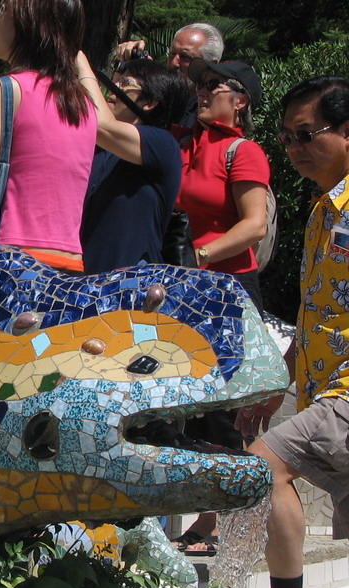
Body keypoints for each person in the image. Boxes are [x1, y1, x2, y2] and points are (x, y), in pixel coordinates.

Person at [236, 75, 349, 588]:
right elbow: (313, 314)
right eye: (285, 137)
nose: (294, 147)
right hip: (323, 390)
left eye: (307, 134)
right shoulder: (321, 211)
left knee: (266, 465)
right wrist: (274, 383)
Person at [170, 59, 271, 555]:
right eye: (199, 84)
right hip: (186, 289)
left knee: (223, 412)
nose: (202, 92)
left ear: (241, 100)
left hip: (227, 289)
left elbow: (253, 224)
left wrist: (201, 255)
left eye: (214, 86)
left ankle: (215, 524)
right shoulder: (185, 141)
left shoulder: (241, 150)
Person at [0, 0, 96, 272]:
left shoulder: (5, 89)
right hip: (70, 263)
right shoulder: (84, 104)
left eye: (3, 11)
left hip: (13, 261)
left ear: (29, 24)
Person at [76, 52, 191, 272]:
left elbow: (103, 127)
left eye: (125, 83)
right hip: (85, 283)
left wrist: (82, 66)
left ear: (150, 102)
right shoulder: (101, 148)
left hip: (130, 290)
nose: (113, 87)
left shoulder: (163, 144)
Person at [117, 22, 224, 127]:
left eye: (186, 57)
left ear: (210, 66)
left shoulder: (211, 115)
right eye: (172, 54)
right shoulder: (157, 97)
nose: (174, 63)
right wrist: (130, 68)